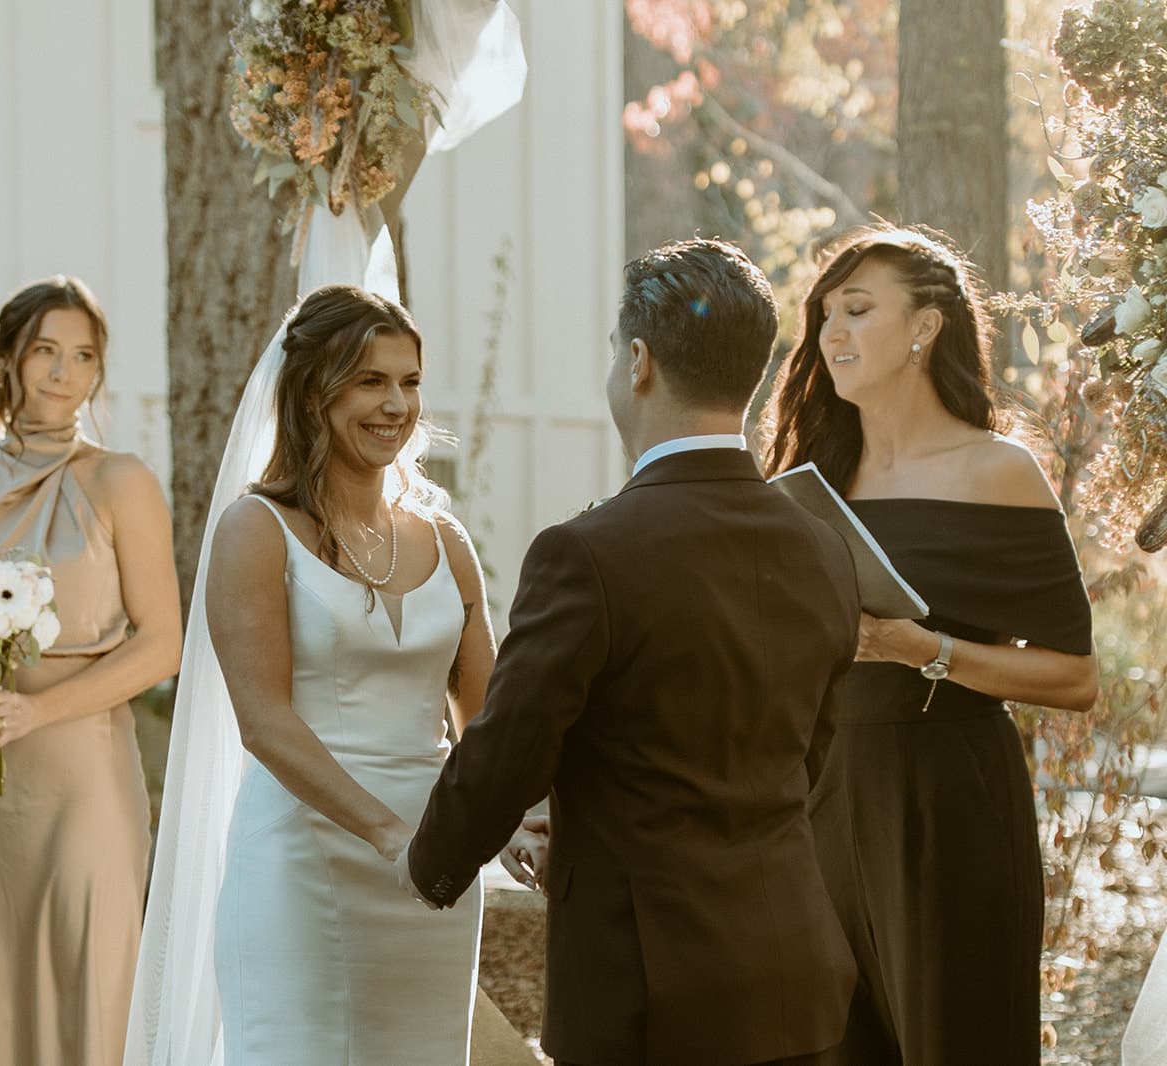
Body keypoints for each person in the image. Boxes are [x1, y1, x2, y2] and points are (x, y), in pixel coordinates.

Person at [403, 239, 863, 1065]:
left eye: (617, 351)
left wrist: (428, 870)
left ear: (640, 362)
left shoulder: (586, 553)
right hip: (797, 972)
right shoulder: (824, 548)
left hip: (649, 995)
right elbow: (808, 756)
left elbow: (507, 752)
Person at [763, 225, 1097, 1064]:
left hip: (950, 805)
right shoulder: (809, 482)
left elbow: (1074, 675)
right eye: (824, 314)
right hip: (821, 803)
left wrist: (927, 652)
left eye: (858, 310)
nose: (830, 333)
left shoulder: (1001, 472)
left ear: (925, 327)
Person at [192, 283, 541, 1064]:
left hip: (437, 872)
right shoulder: (257, 531)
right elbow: (264, 720)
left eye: (409, 381)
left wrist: (512, 816)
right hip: (303, 864)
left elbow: (485, 714)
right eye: (370, 380)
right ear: (313, 389)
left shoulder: (445, 540)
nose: (395, 404)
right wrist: (392, 838)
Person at [0, 276, 181, 1066]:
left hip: (82, 772)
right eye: (45, 352)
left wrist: (35, 714)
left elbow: (162, 644)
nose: (62, 373)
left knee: (91, 975)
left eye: (83, 356)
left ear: (98, 373)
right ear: (8, 358)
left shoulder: (120, 482)